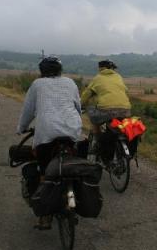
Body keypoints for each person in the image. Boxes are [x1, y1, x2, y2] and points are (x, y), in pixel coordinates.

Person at [16, 56, 82, 230]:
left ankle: (45, 215)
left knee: (44, 170)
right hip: (72, 130)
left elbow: (28, 110)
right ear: (60, 70)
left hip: (47, 132)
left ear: (42, 71)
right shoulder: (70, 83)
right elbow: (77, 107)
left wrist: (21, 128)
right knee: (72, 160)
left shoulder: (37, 85)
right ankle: (73, 192)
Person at [80, 59, 131, 156]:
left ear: (100, 68)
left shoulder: (98, 78)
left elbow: (86, 94)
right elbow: (125, 91)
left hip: (106, 110)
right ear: (112, 68)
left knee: (94, 119)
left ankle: (96, 141)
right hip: (126, 110)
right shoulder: (118, 77)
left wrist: (79, 104)